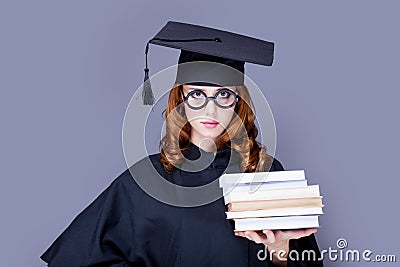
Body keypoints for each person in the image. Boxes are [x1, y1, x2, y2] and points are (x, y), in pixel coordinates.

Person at [41, 21, 323, 266]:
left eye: (223, 94)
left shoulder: (266, 173)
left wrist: (278, 250)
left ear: (238, 102)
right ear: (180, 99)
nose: (210, 110)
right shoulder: (145, 180)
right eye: (197, 94)